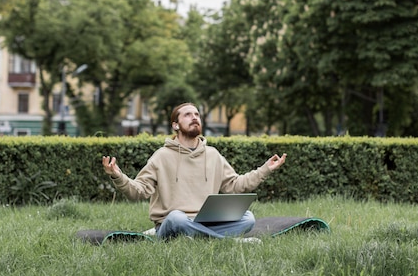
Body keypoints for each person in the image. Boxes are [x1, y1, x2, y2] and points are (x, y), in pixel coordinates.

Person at [102, 102, 287, 240]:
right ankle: (231, 242)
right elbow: (138, 192)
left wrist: (265, 170)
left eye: (197, 114)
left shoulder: (213, 155)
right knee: (176, 217)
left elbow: (235, 185)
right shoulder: (161, 156)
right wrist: (117, 176)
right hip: (171, 224)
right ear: (175, 125)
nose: (194, 117)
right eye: (188, 115)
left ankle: (197, 236)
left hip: (206, 220)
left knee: (248, 218)